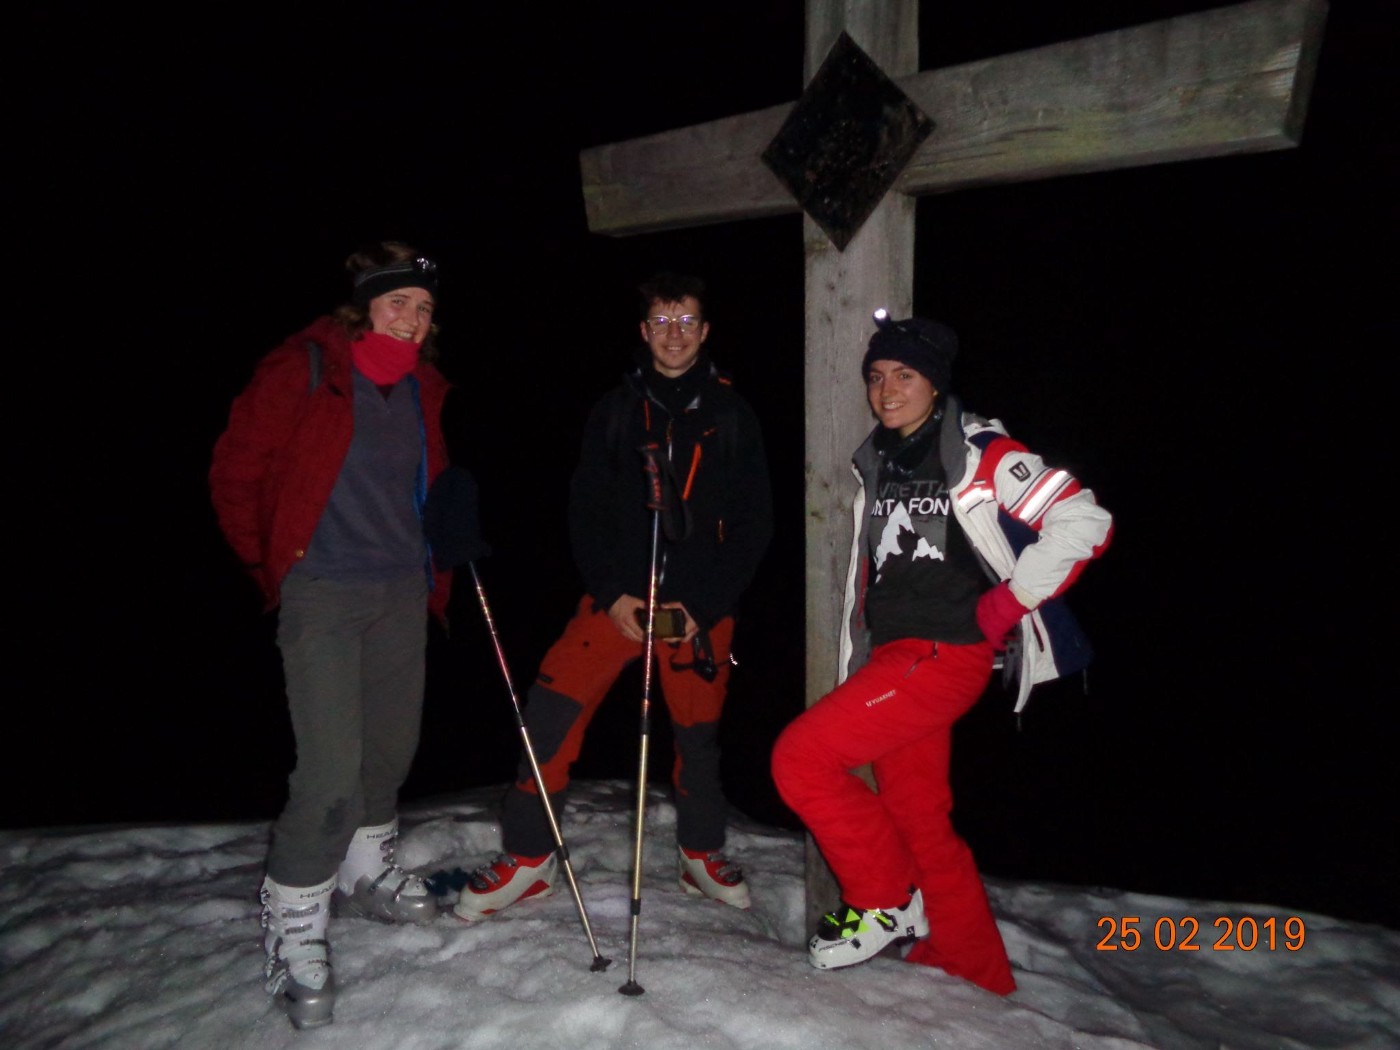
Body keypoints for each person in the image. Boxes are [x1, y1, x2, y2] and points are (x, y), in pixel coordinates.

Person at [771, 311, 1113, 996]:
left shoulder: (982, 453)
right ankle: (973, 964)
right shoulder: (882, 460)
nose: (887, 389)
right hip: (896, 658)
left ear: (934, 383)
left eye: (904, 374)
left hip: (942, 655)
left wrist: (1005, 604)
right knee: (919, 816)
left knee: (800, 759)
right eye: (876, 376)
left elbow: (1085, 520)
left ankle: (885, 900)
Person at [452, 270, 774, 921]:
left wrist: (702, 607)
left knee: (698, 738)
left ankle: (699, 854)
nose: (674, 334)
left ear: (705, 330)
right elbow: (583, 512)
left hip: (696, 616)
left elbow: (754, 525)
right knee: (547, 714)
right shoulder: (616, 409)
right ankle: (529, 857)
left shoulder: (733, 416)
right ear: (643, 331)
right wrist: (613, 593)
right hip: (617, 604)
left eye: (686, 321)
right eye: (661, 321)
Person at [209, 241, 459, 1029]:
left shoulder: (421, 388)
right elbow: (234, 474)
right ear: (363, 307)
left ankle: (364, 875)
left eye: (422, 310)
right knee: (328, 776)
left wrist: (451, 526)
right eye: (397, 305)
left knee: (388, 752)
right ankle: (294, 926)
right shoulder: (305, 370)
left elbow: (422, 486)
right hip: (322, 593)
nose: (412, 321)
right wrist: (272, 567)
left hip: (398, 590)